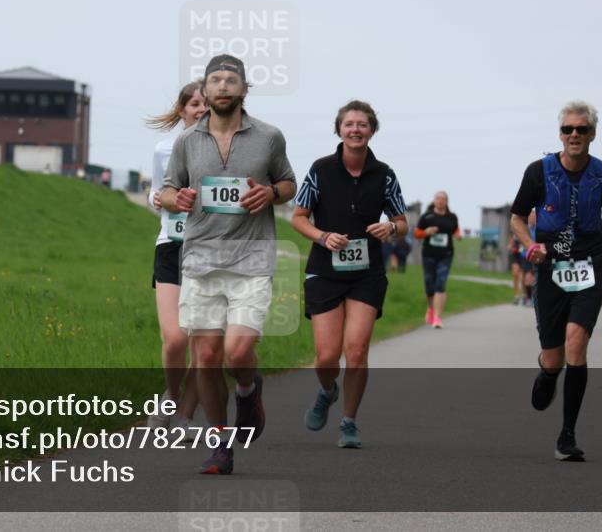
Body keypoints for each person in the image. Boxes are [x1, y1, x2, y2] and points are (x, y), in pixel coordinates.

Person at [160, 54, 296, 475]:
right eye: (214, 80)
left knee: (237, 351)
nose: (222, 86)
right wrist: (177, 198)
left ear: (243, 89)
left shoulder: (269, 137)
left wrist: (270, 194)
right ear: (206, 88)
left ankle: (247, 388)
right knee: (206, 354)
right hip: (200, 258)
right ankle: (220, 442)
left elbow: (289, 182)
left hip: (251, 257)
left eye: (230, 80)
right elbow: (167, 190)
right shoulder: (187, 142)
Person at [511, 100, 602, 461]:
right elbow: (517, 217)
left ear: (593, 135)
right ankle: (547, 374)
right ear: (560, 133)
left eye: (581, 129)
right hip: (550, 268)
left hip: (590, 266)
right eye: (568, 129)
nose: (574, 135)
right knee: (554, 358)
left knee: (576, 345)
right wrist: (529, 246)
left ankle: (567, 436)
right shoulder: (539, 172)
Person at [291, 100, 408, 449]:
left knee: (356, 351)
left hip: (367, 273)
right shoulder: (321, 169)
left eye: (362, 124)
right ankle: (328, 390)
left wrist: (391, 229)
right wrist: (324, 237)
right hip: (325, 271)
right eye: (349, 124)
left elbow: (402, 221)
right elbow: (298, 217)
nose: (355, 129)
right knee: (327, 356)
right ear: (339, 130)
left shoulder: (384, 174)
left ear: (372, 130)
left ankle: (349, 421)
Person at [145, 79, 208, 438]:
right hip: (171, 244)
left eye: (206, 105)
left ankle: (186, 414)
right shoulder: (164, 148)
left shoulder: (224, 150)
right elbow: (156, 189)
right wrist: (157, 199)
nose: (201, 110)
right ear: (182, 110)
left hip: (211, 249)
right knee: (175, 339)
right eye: (194, 104)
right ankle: (171, 395)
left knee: (203, 341)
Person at [415, 191, 462, 328]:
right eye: (438, 199)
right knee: (429, 285)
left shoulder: (452, 217)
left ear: (446, 202)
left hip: (446, 255)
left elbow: (455, 230)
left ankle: (437, 317)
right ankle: (430, 309)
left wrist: (458, 235)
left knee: (440, 283)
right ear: (434, 201)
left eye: (443, 199)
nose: (440, 201)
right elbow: (416, 233)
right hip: (429, 254)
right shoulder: (426, 217)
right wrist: (426, 232)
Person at [509, 234, 524, 305]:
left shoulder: (524, 231)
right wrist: (512, 248)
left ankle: (524, 295)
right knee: (515, 274)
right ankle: (516, 295)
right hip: (515, 256)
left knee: (522, 277)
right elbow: (509, 247)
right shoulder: (513, 236)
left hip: (523, 255)